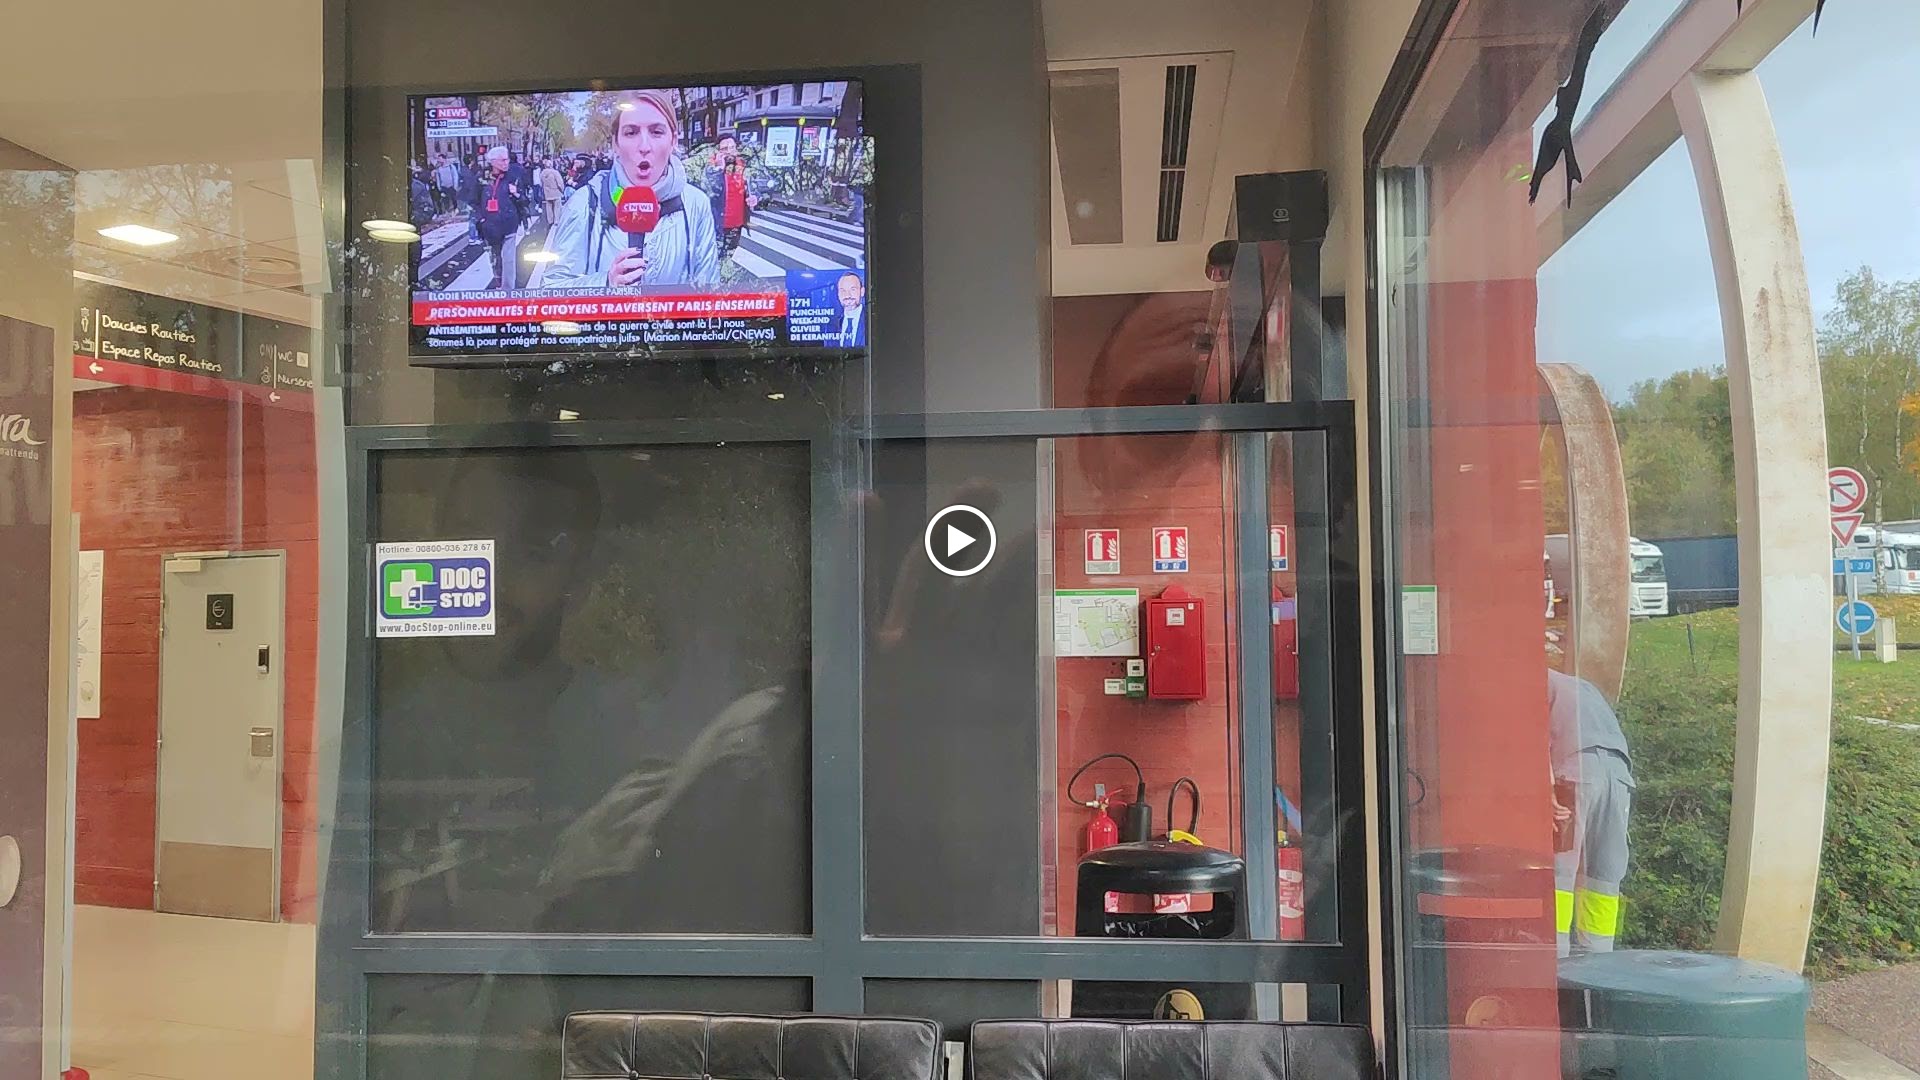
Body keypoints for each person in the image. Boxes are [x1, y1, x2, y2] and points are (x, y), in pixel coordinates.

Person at [541, 89, 719, 289]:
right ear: (616, 143)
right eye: (631, 133)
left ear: (673, 141)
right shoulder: (583, 203)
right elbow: (551, 289)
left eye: (656, 132)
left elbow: (710, 292)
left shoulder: (696, 204)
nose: (644, 146)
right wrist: (606, 283)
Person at [1547, 649, 1636, 956]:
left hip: (1577, 774)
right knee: (1603, 877)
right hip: (1619, 779)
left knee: (1560, 871)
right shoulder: (1585, 688)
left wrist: (1548, 789)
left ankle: (1556, 960)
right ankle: (1599, 961)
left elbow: (1533, 737)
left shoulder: (1536, 682)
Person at [475, 145, 526, 289]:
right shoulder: (481, 179)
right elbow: (473, 200)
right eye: (502, 160)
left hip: (509, 224)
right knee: (495, 259)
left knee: (509, 259)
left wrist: (516, 193)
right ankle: (499, 284)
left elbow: (524, 200)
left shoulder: (513, 177)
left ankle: (508, 290)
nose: (506, 163)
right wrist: (481, 219)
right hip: (490, 226)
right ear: (493, 162)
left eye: (507, 159)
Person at [829, 271, 866, 347]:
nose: (847, 295)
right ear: (838, 294)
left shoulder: (872, 319)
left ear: (862, 291)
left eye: (853, 289)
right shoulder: (830, 325)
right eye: (843, 290)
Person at [538, 156, 564, 225]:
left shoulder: (542, 173)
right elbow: (560, 183)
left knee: (549, 206)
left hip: (547, 193)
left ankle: (550, 220)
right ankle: (556, 220)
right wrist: (562, 190)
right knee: (557, 207)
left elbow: (541, 184)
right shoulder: (555, 172)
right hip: (556, 192)